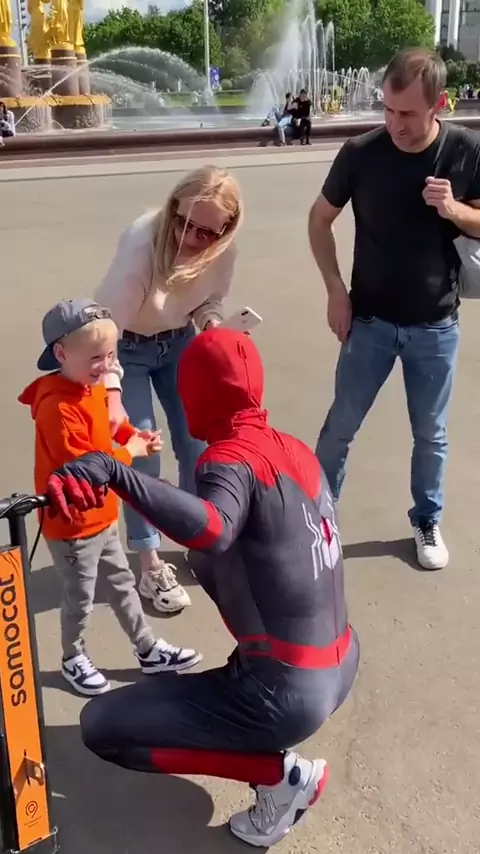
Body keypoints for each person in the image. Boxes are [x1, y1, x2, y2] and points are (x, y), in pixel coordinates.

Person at [46, 327, 359, 849]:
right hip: (339, 663)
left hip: (283, 691)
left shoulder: (227, 459)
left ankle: (282, 778)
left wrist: (114, 472)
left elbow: (213, 529)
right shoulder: (294, 449)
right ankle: (264, 731)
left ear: (198, 392)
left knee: (102, 725)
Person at [309, 48, 480, 571]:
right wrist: (335, 289)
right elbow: (319, 219)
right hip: (369, 322)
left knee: (431, 435)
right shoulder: (360, 153)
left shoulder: (466, 150)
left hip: (436, 325)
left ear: (440, 104)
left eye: (407, 113)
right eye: (387, 108)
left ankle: (427, 519)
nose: (394, 123)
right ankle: (317, 520)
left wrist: (454, 209)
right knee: (340, 426)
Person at [19, 299, 201, 697]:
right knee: (80, 597)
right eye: (95, 358)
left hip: (102, 516)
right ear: (61, 354)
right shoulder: (57, 407)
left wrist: (134, 436)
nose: (106, 367)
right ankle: (72, 656)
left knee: (122, 584)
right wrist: (130, 452)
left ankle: (147, 647)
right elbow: (89, 467)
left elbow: (111, 425)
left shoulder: (92, 387)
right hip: (71, 526)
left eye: (111, 356)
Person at [95, 165, 242, 615]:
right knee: (142, 450)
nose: (190, 238)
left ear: (225, 229)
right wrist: (111, 394)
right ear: (173, 207)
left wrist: (213, 325)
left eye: (206, 232)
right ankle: (149, 562)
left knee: (197, 442)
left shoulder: (221, 249)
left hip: (179, 341)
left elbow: (207, 300)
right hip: (124, 346)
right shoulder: (142, 244)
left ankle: (198, 538)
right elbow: (106, 331)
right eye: (184, 223)